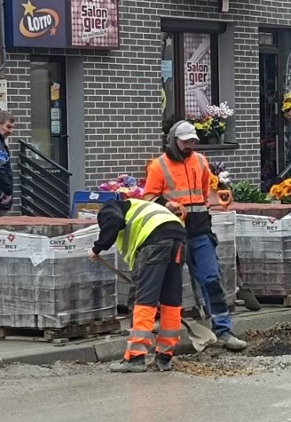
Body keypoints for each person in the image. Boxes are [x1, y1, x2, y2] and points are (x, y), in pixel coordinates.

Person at [143, 120, 247, 351]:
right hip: (172, 234)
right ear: (173, 140)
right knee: (169, 286)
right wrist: (166, 204)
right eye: (186, 141)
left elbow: (205, 194)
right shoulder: (158, 166)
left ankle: (223, 330)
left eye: (192, 141)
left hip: (200, 232)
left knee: (211, 280)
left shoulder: (200, 161)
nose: (190, 145)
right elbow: (148, 197)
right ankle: (163, 334)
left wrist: (217, 200)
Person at [88, 198, 186, 373]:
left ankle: (135, 357)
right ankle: (165, 356)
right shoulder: (141, 207)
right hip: (179, 239)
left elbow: (114, 221)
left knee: (145, 299)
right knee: (171, 299)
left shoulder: (111, 206)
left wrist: (97, 248)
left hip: (156, 241)